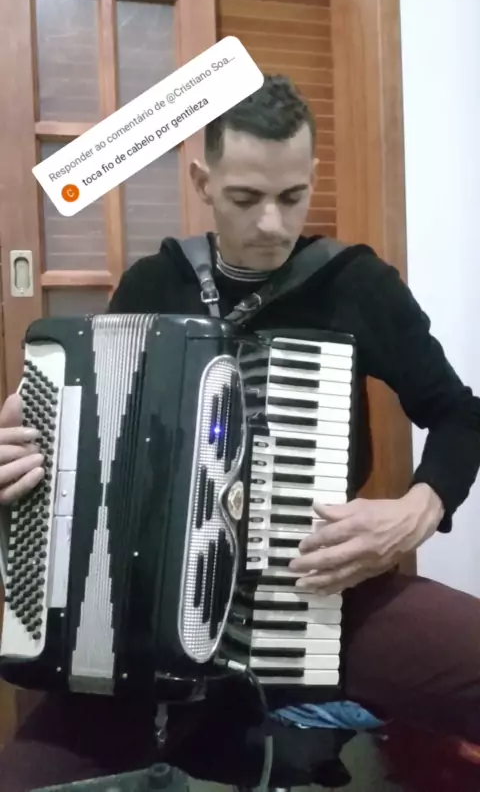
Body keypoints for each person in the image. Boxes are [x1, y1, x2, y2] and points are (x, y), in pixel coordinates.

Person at [0, 74, 480, 790]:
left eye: (293, 196)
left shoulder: (355, 284)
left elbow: (460, 414)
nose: (273, 225)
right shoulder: (153, 286)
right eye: (246, 198)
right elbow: (90, 457)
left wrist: (416, 510)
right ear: (203, 182)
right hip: (154, 628)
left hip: (319, 587)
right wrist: (27, 456)